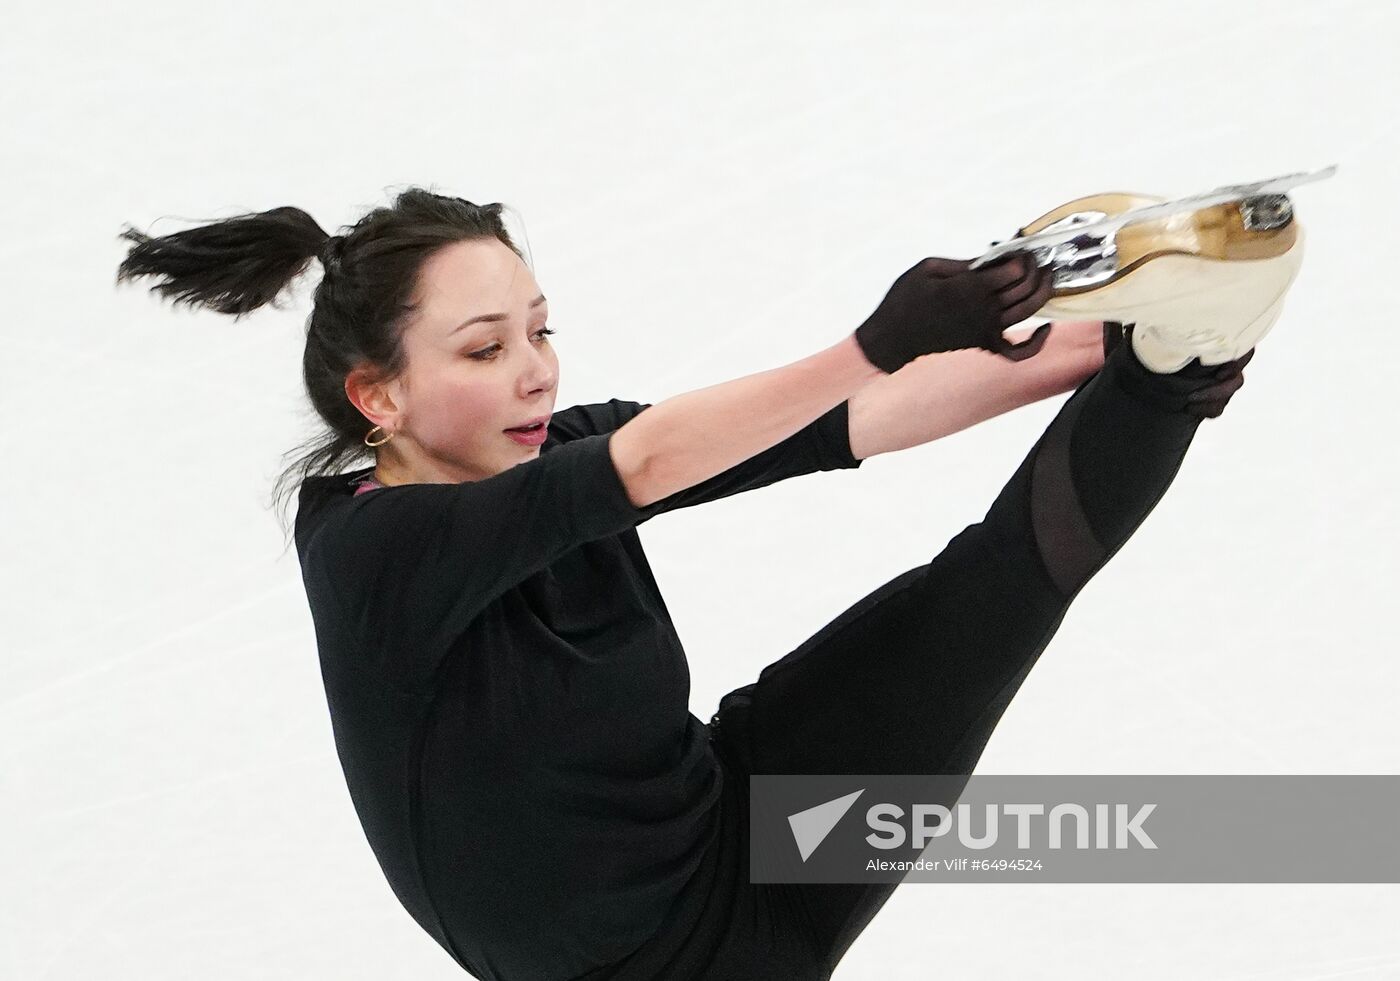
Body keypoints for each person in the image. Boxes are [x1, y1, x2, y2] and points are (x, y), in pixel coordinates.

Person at [115, 190, 1253, 980]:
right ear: (378, 400)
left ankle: (1170, 374)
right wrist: (878, 335)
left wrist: (1115, 341)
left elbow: (848, 420)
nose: (534, 369)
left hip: (743, 819)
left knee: (997, 587)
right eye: (482, 349)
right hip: (658, 970)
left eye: (539, 329)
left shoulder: (555, 447)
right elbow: (657, 459)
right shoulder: (378, 555)